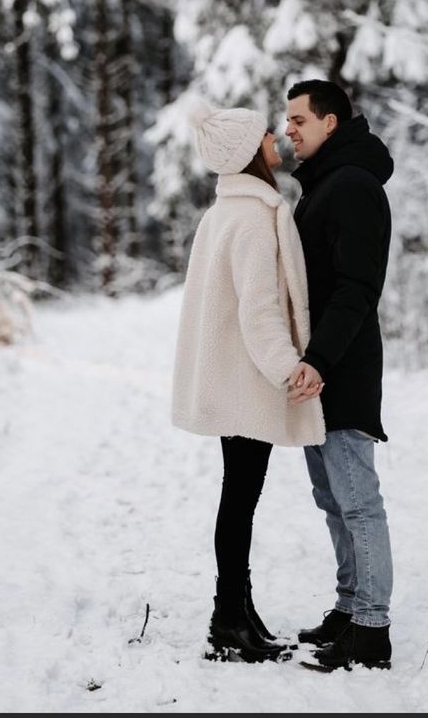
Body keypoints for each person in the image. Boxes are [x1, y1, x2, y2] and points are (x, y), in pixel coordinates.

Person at [171, 95, 326, 664]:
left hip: (230, 380)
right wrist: (292, 371)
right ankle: (227, 619)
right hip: (245, 383)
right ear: (246, 154)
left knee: (238, 499)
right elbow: (258, 313)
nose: (276, 141)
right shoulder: (253, 220)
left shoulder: (223, 214)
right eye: (265, 137)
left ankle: (238, 612)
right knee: (239, 501)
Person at [285, 78, 394, 671]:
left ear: (331, 122)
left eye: (299, 119)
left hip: (340, 368)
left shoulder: (351, 186)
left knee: (357, 501)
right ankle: (350, 608)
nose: (289, 129)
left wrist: (320, 360)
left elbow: (356, 288)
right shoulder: (326, 184)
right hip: (319, 368)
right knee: (333, 498)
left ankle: (371, 631)